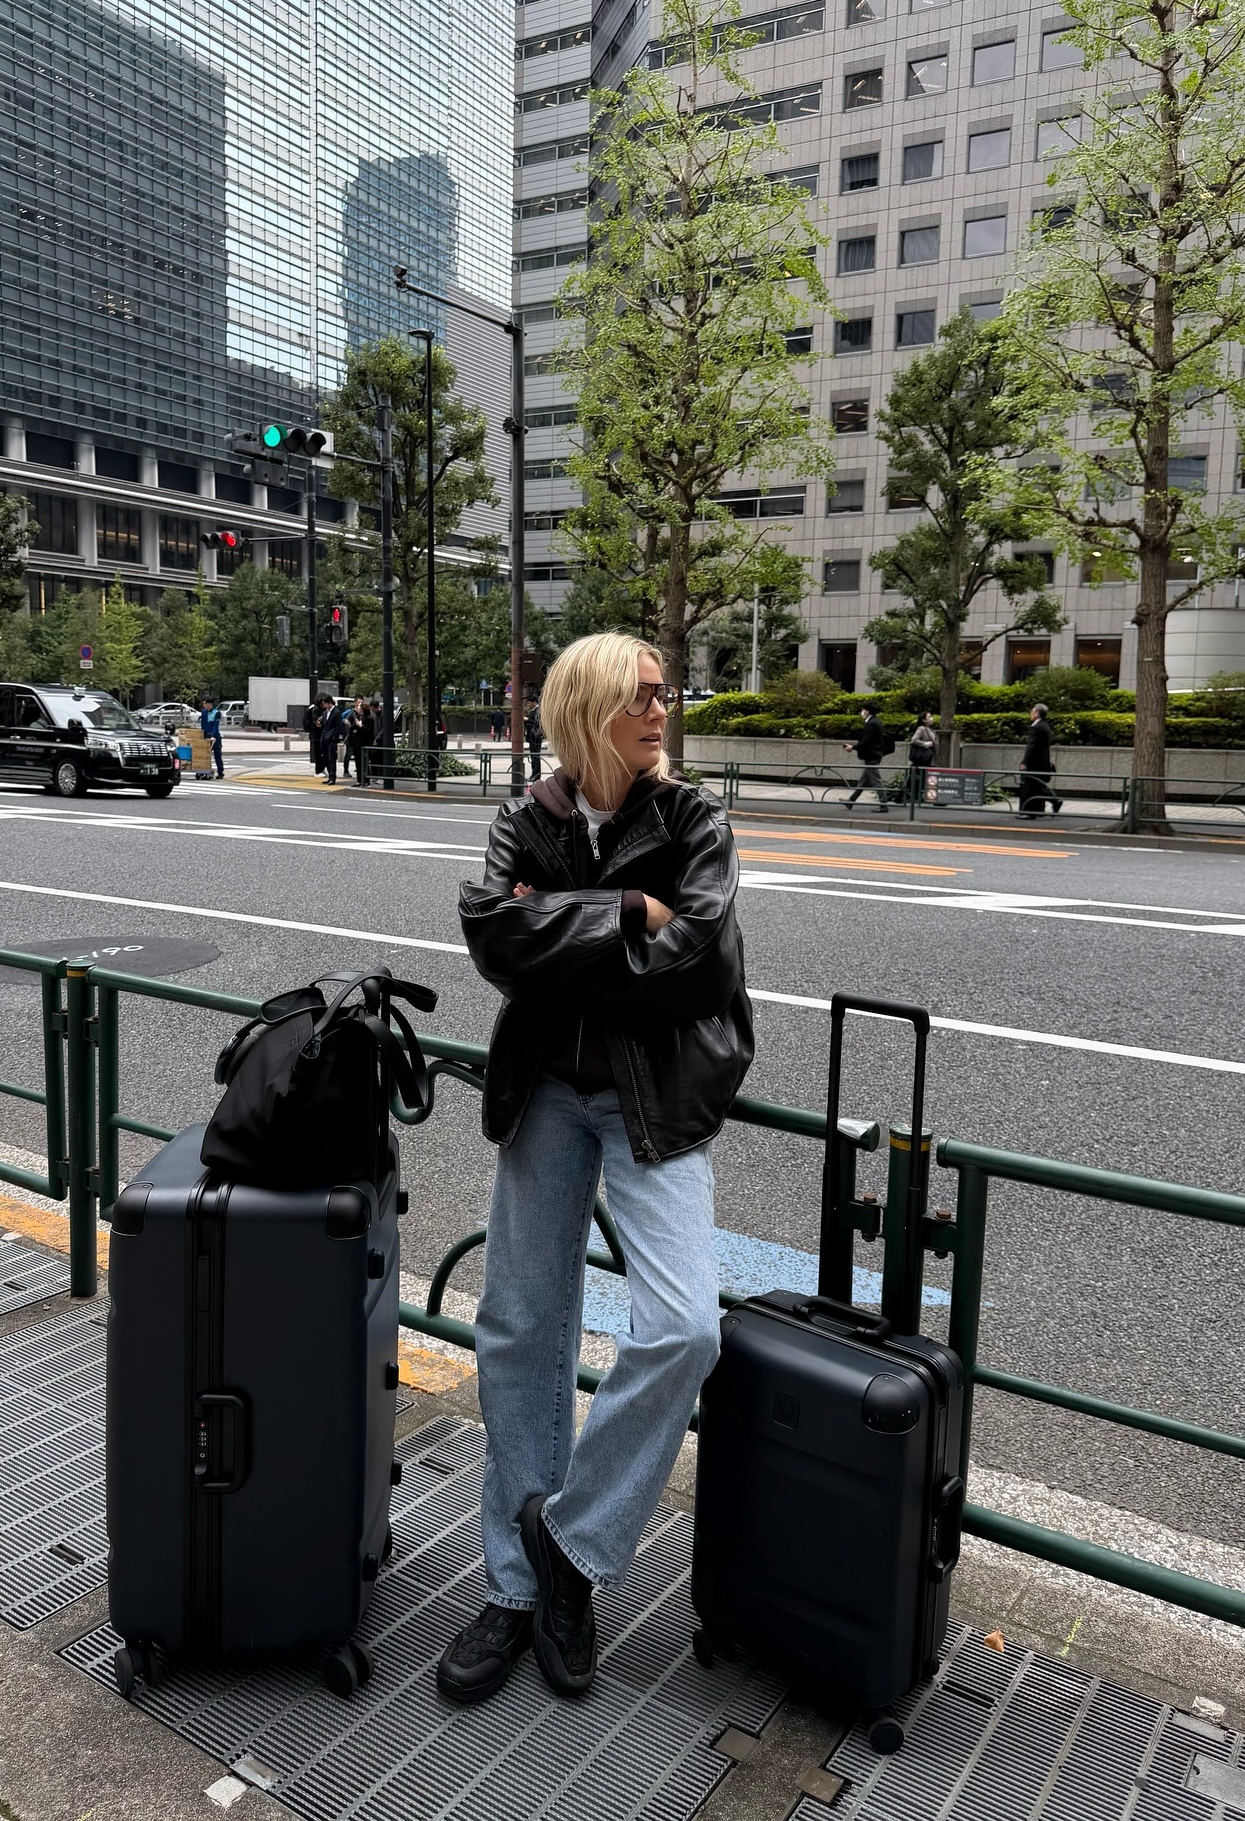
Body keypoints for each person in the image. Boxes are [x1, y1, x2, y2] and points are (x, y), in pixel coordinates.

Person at [440, 633, 753, 1708]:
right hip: (544, 1098)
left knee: (683, 1328)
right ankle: (517, 1590)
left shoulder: (695, 820)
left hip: (655, 1104)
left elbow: (702, 963)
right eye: (643, 696)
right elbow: (492, 935)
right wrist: (629, 913)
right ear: (589, 710)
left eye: (668, 694)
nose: (664, 710)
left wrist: (558, 932)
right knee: (523, 1326)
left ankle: (569, 1544)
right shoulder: (527, 815)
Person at [843, 705, 891, 812]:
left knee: (875, 780)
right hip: (875, 754)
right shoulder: (876, 722)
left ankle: (883, 805)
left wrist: (853, 747)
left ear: (868, 711)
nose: (861, 712)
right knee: (863, 780)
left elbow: (866, 741)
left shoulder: (871, 724)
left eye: (863, 710)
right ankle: (851, 801)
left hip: (872, 756)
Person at [1018, 702, 1062, 816]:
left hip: (1034, 763)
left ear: (1037, 713)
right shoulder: (1045, 726)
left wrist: (1024, 762)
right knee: (1037, 786)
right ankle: (1049, 803)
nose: (1031, 713)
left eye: (1032, 711)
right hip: (1042, 762)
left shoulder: (1036, 727)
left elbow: (1031, 747)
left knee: (1032, 786)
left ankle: (1051, 801)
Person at [198, 697, 224, 780]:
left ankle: (220, 771)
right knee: (205, 755)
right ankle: (204, 770)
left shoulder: (216, 713)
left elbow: (215, 726)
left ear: (210, 704)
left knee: (217, 755)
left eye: (205, 703)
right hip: (206, 736)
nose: (204, 705)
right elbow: (203, 725)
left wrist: (213, 735)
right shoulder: (204, 712)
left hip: (215, 737)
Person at [317, 695, 341, 785]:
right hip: (325, 737)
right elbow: (324, 725)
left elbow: (338, 726)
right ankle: (329, 776)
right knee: (325, 758)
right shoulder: (325, 712)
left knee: (332, 759)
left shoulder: (336, 712)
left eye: (325, 704)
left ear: (329, 703)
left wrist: (335, 737)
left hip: (331, 738)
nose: (324, 706)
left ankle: (333, 777)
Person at [524, 697, 544, 783]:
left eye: (529, 703)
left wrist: (527, 720)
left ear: (534, 702)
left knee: (535, 757)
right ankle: (534, 774)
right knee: (533, 756)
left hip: (536, 738)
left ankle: (536, 775)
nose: (528, 705)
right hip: (531, 737)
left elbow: (537, 723)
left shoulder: (538, 711)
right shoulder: (532, 711)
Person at [303, 699, 323, 773]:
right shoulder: (316, 709)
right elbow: (317, 722)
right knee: (318, 753)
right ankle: (318, 770)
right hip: (316, 734)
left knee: (317, 752)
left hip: (313, 734)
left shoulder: (311, 707)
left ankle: (319, 769)